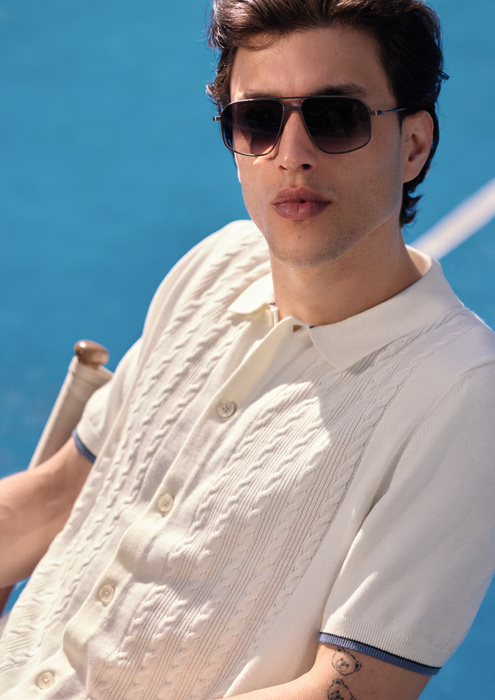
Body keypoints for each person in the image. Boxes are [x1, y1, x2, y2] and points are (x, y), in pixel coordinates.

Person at [0, 0, 494, 697]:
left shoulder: (460, 393)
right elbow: (55, 501)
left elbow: (353, 688)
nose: (290, 153)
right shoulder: (215, 267)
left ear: (413, 145)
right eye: (258, 120)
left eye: (335, 118)